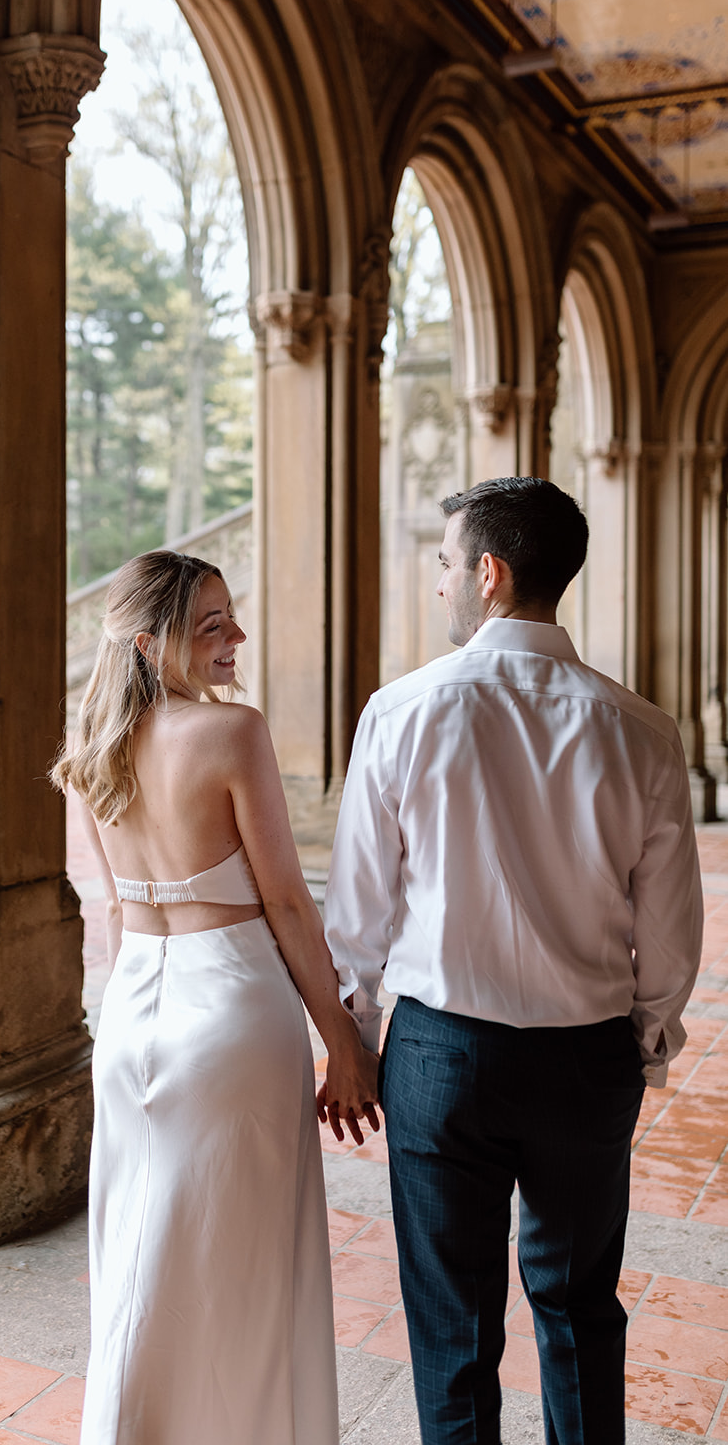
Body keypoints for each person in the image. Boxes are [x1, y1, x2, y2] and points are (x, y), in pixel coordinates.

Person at [323, 476, 704, 1445]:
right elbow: (667, 935)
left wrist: (356, 1039)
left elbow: (358, 917)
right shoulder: (642, 731)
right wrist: (641, 1044)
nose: (440, 579)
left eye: (447, 563)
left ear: (487, 574)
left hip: (439, 1059)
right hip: (583, 1058)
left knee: (450, 1328)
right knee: (577, 1310)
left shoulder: (400, 711)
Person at [53, 549, 379, 1445]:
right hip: (231, 1012)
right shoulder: (233, 734)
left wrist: (126, 1014)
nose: (236, 638)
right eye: (212, 626)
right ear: (152, 646)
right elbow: (282, 900)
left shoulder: (92, 750)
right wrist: (345, 1041)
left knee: (139, 1256)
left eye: (230, 619)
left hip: (131, 1014)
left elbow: (121, 911)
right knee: (243, 1265)